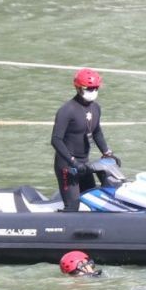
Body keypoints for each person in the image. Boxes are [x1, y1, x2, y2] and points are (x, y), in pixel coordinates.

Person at [51, 68, 119, 212]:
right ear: (78, 88)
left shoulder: (96, 108)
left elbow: (97, 132)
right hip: (67, 166)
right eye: (89, 88)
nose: (93, 91)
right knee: (73, 207)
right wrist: (73, 162)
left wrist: (107, 153)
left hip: (85, 164)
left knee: (92, 201)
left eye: (95, 88)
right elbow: (56, 140)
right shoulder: (66, 110)